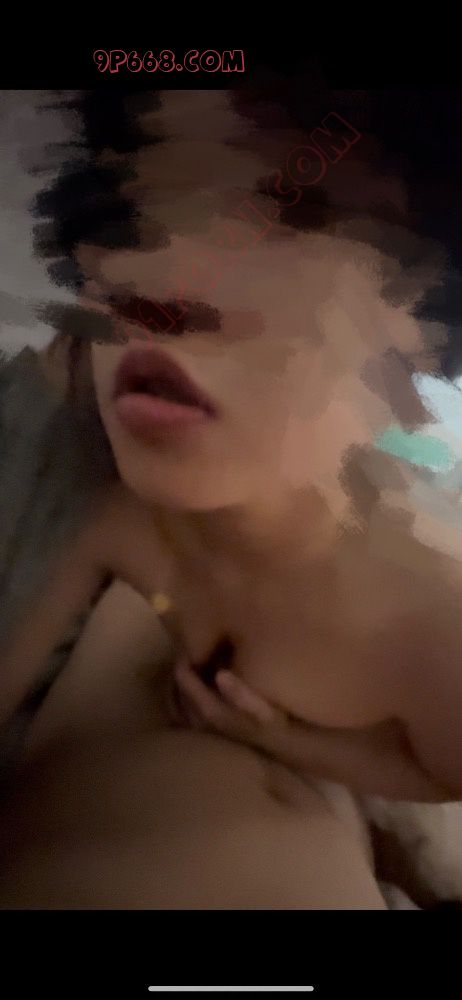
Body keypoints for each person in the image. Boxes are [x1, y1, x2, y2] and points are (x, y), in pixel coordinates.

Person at [0, 87, 459, 908]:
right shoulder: (121, 516)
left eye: (292, 216)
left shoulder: (438, 627)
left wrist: (290, 742)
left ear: (418, 349)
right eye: (134, 210)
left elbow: (445, 772)